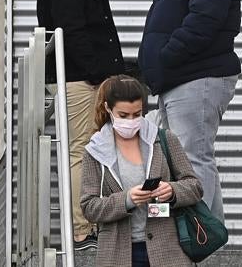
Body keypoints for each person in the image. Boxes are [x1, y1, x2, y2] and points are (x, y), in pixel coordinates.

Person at [138, 0, 240, 222]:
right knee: (185, 160)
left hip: (196, 78)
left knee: (192, 160)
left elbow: (203, 22)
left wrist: (165, 56)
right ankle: (209, 233)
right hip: (180, 79)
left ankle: (199, 236)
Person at [37, 0, 126, 250]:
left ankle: (87, 225)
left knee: (89, 149)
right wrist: (95, 73)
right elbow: (70, 26)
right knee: (81, 151)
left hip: (84, 75)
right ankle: (81, 229)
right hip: (78, 78)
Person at [80, 75, 202, 267]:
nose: (131, 120)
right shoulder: (95, 151)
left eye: (137, 114)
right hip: (117, 253)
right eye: (123, 115)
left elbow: (194, 186)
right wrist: (127, 200)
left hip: (168, 251)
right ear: (108, 109)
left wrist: (172, 191)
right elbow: (89, 207)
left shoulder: (164, 139)